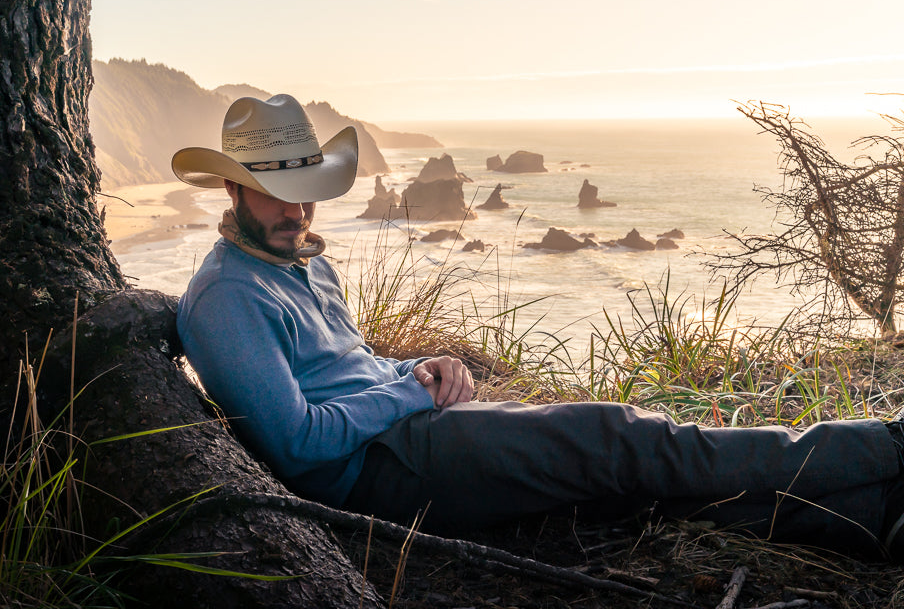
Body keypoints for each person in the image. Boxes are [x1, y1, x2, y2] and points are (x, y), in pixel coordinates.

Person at [174, 94, 904, 558]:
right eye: (276, 195)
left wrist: (417, 369)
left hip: (412, 434)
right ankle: (882, 446)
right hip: (381, 472)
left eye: (306, 196)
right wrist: (411, 396)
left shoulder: (302, 261)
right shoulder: (226, 299)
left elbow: (354, 369)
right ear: (234, 187)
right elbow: (299, 447)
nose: (296, 213)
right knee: (621, 438)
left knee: (618, 493)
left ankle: (872, 516)